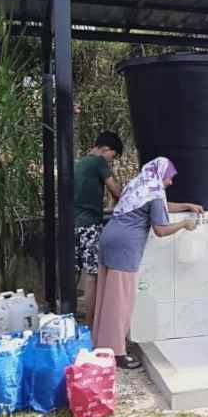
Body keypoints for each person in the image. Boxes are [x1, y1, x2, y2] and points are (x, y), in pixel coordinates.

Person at [93, 156, 203, 369]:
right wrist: (184, 224)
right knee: (121, 302)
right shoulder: (154, 194)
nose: (170, 182)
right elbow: (160, 230)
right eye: (170, 177)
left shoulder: (140, 185)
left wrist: (186, 205)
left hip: (109, 238)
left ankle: (102, 344)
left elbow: (160, 205)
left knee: (107, 298)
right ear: (160, 174)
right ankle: (117, 354)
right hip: (125, 247)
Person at [73, 131, 124, 327]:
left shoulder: (80, 163)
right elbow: (116, 191)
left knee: (74, 272)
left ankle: (67, 319)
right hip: (89, 225)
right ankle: (90, 324)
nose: (112, 161)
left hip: (71, 224)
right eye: (113, 155)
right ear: (106, 149)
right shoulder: (98, 162)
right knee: (92, 275)